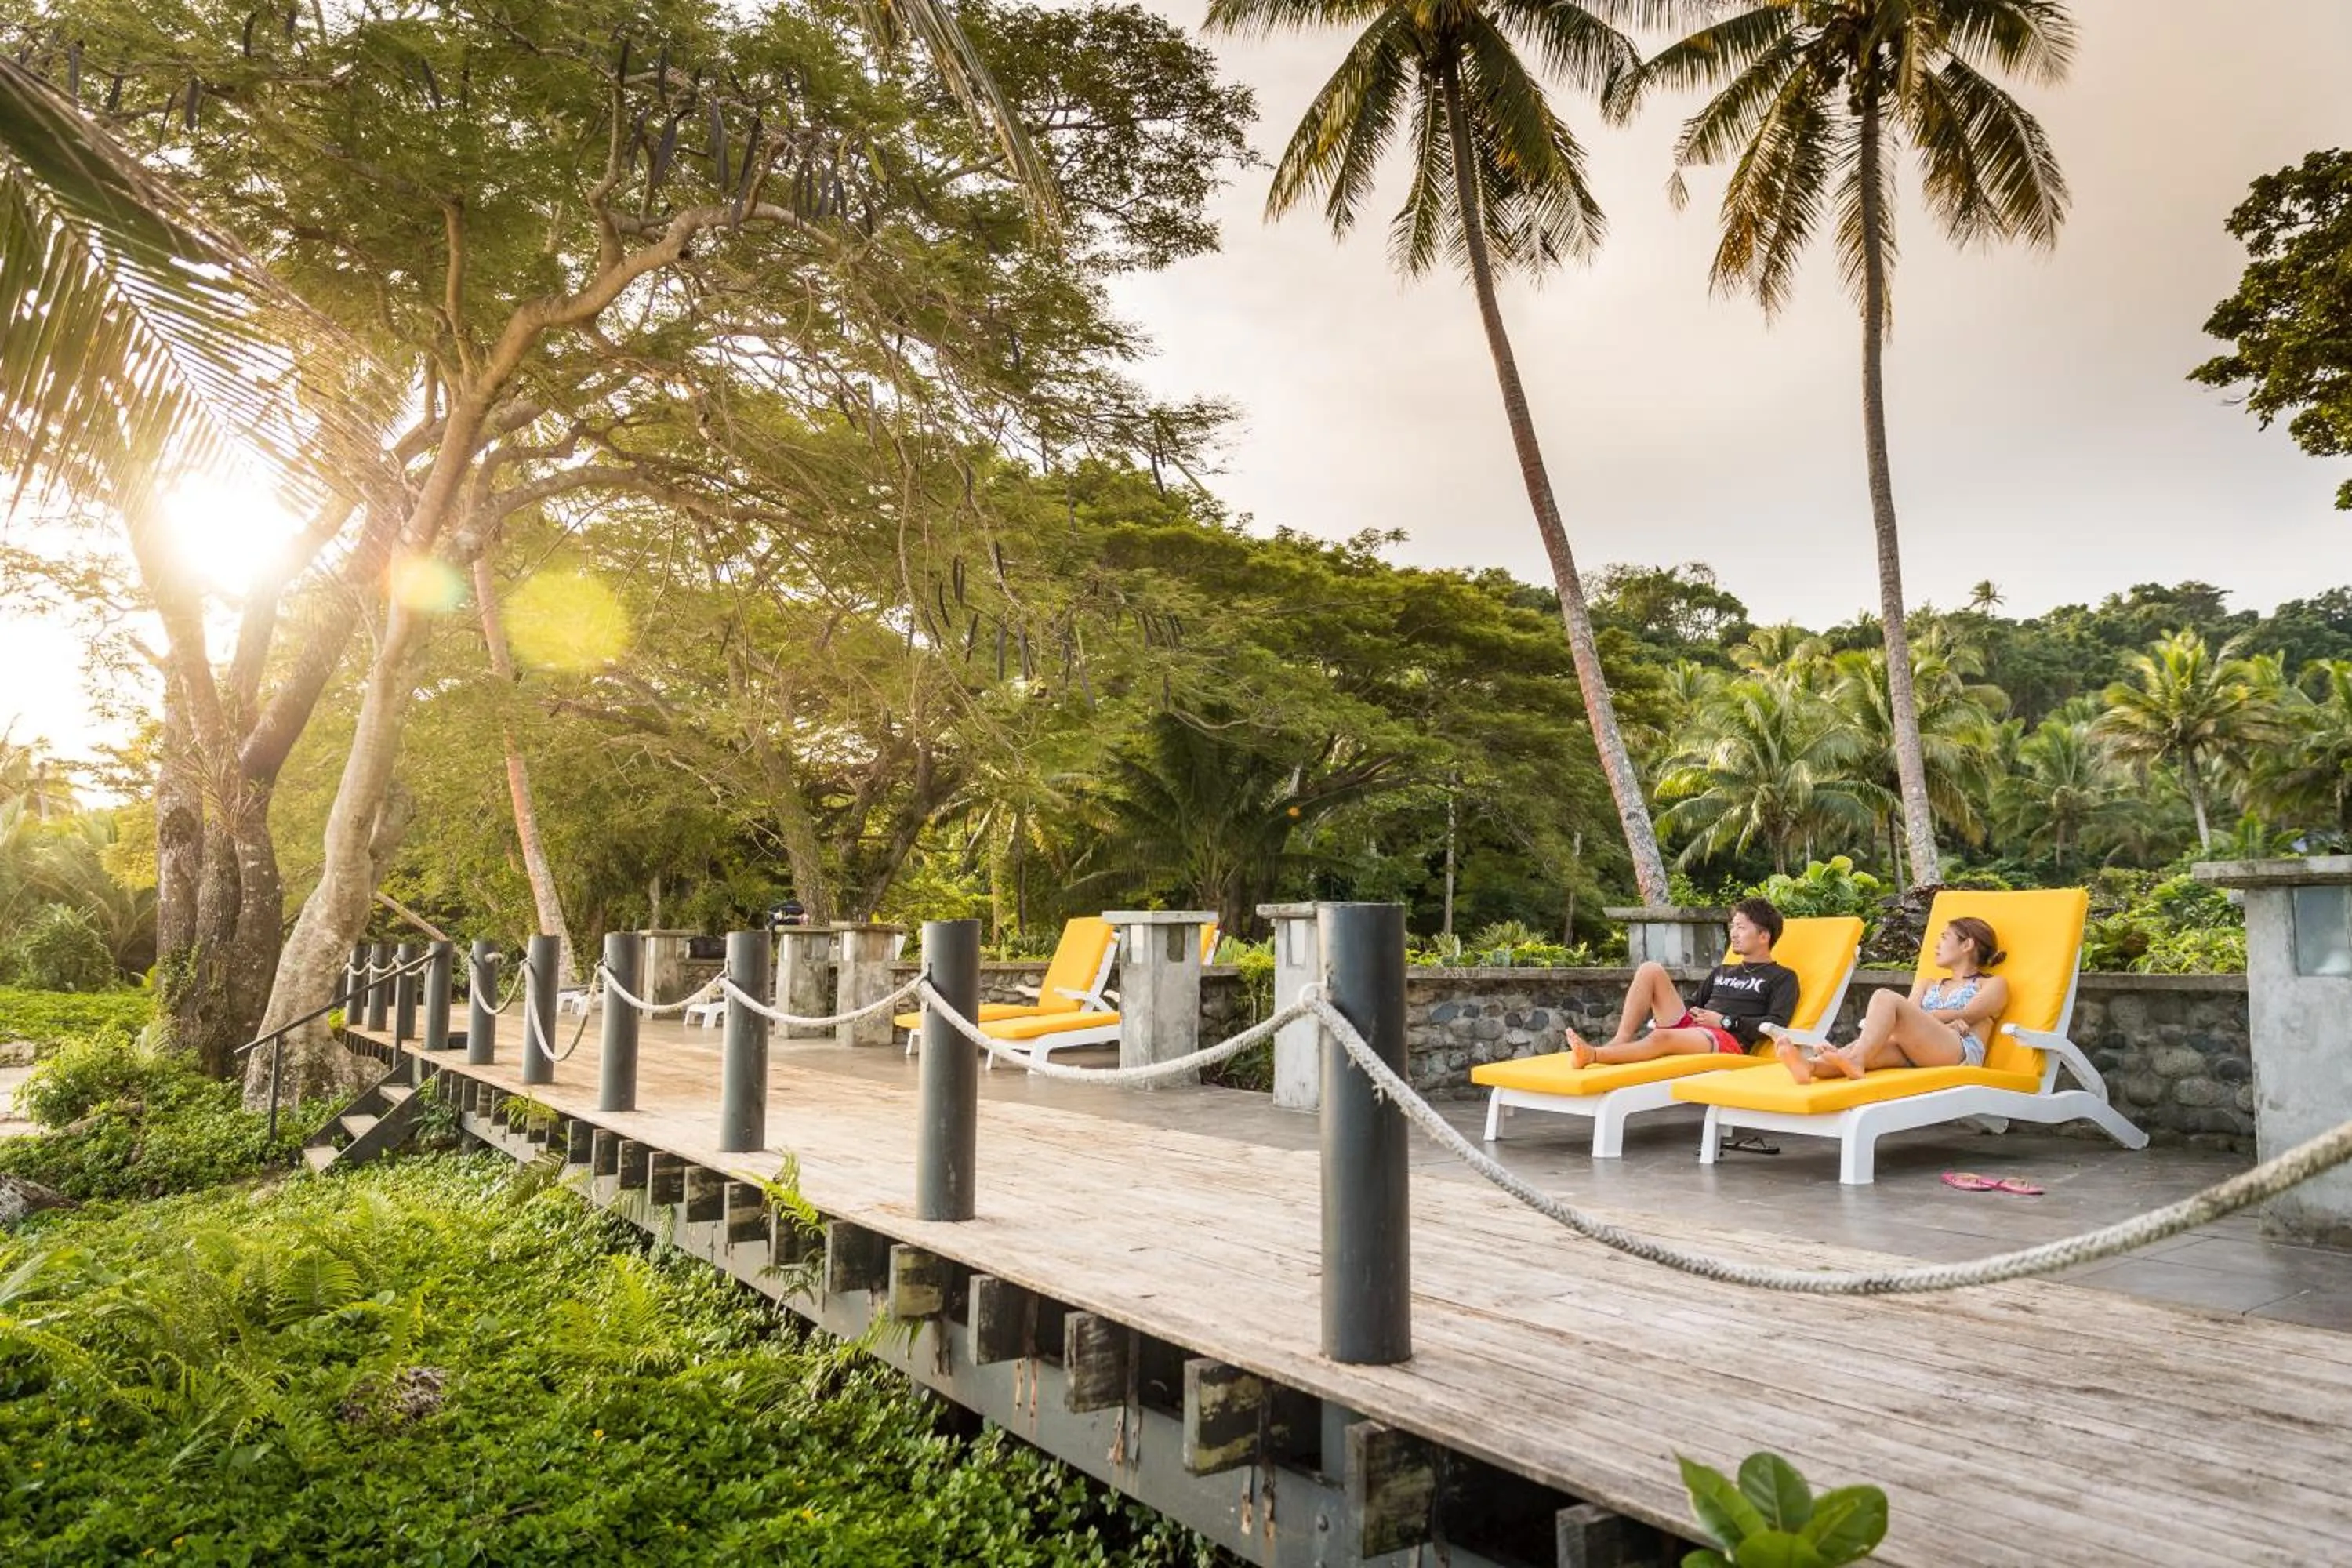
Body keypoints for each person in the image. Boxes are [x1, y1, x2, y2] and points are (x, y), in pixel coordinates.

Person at [1770, 916, 2009, 1083]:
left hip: (1959, 1053)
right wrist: (1944, 1020)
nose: (1937, 945)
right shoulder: (1928, 983)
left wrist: (1937, 1019)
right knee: (1870, 1048)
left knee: (1885, 998)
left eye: (1945, 937)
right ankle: (1810, 1066)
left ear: (1967, 944)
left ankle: (1852, 1058)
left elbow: (1969, 1014)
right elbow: (1908, 1018)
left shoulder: (1991, 984)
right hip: (1915, 1050)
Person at [1566, 898, 1798, 1068]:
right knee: (1650, 969)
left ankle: (1594, 1055)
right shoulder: (1723, 970)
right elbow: (1692, 1002)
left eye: (1741, 927)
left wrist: (1725, 1021)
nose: (1733, 933)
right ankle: (1621, 1040)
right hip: (1694, 1028)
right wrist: (1691, 1012)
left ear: (1764, 936)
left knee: (1662, 1038)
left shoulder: (1782, 977)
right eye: (1732, 927)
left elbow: (1776, 1024)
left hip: (1727, 1039)